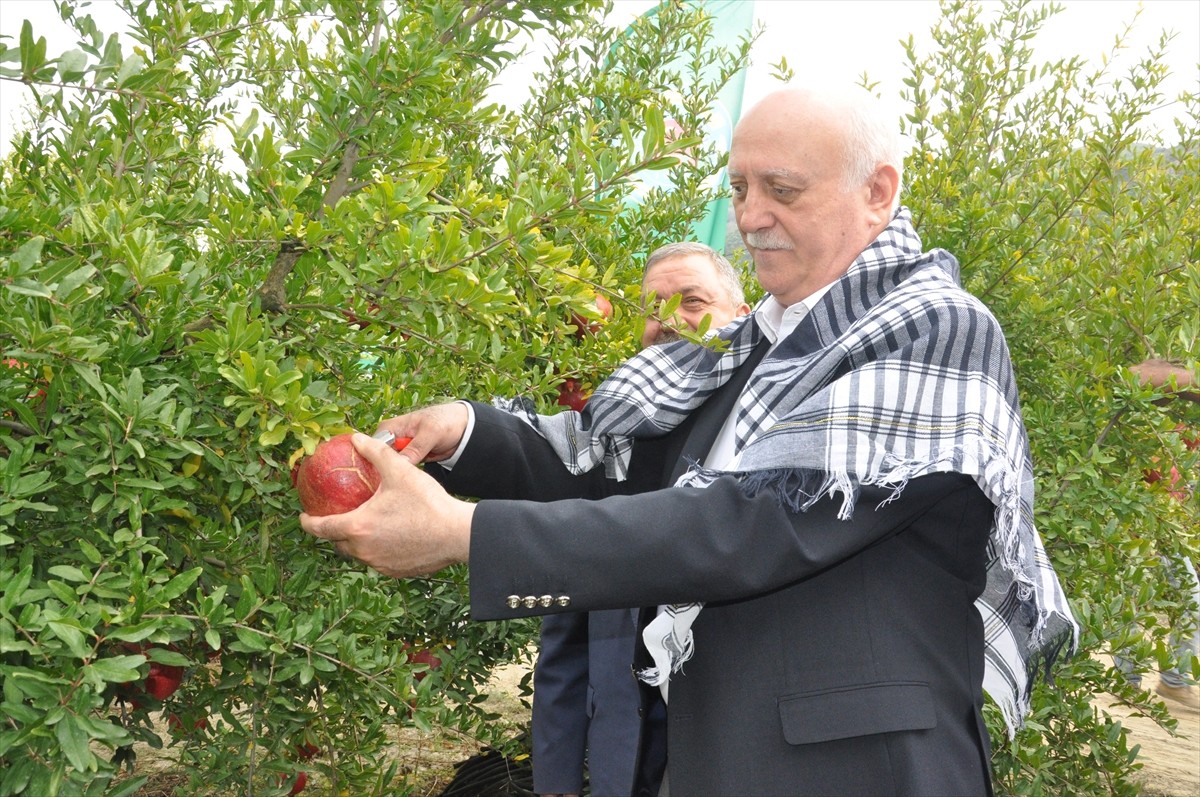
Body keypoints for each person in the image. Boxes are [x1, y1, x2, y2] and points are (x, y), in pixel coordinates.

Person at [301, 87, 1079, 796]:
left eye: (783, 189)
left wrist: (465, 534)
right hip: (713, 758)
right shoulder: (743, 355)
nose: (749, 215)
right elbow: (607, 460)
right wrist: (463, 434)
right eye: (740, 188)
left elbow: (749, 522)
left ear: (878, 192)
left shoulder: (931, 328)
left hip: (862, 769)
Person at [534, 242, 751, 797]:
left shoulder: (769, 437)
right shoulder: (606, 439)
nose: (670, 321)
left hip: (729, 753)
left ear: (744, 318)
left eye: (693, 301)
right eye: (652, 310)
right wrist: (557, 777)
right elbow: (566, 629)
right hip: (624, 758)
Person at [1115, 359, 1199, 708]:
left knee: (1190, 598)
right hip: (1131, 521)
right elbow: (1134, 377)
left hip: (1167, 526)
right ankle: (1127, 680)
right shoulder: (1141, 422)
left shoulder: (1188, 433)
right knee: (1130, 599)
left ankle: (1174, 680)